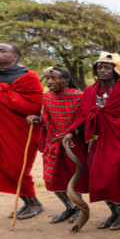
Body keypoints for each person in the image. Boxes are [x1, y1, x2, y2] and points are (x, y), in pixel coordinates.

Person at [58, 52, 120, 230]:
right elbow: (84, 116)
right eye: (99, 67)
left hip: (117, 142)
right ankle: (113, 213)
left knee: (111, 178)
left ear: (116, 71)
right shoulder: (90, 91)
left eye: (107, 68)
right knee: (97, 178)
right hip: (94, 140)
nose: (102, 70)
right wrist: (72, 132)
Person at [0, 43, 44, 218]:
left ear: (15, 56)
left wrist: (4, 94)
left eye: (2, 51)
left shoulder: (29, 77)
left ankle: (34, 203)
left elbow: (34, 106)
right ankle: (28, 201)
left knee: (17, 167)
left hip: (20, 130)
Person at [26, 67, 83, 223]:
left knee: (73, 177)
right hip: (54, 142)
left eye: (54, 78)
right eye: (47, 78)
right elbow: (46, 118)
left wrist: (71, 133)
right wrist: (36, 119)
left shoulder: (79, 96)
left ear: (65, 81)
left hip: (73, 143)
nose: (49, 82)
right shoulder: (47, 97)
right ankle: (69, 207)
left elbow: (85, 119)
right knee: (50, 178)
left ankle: (79, 209)